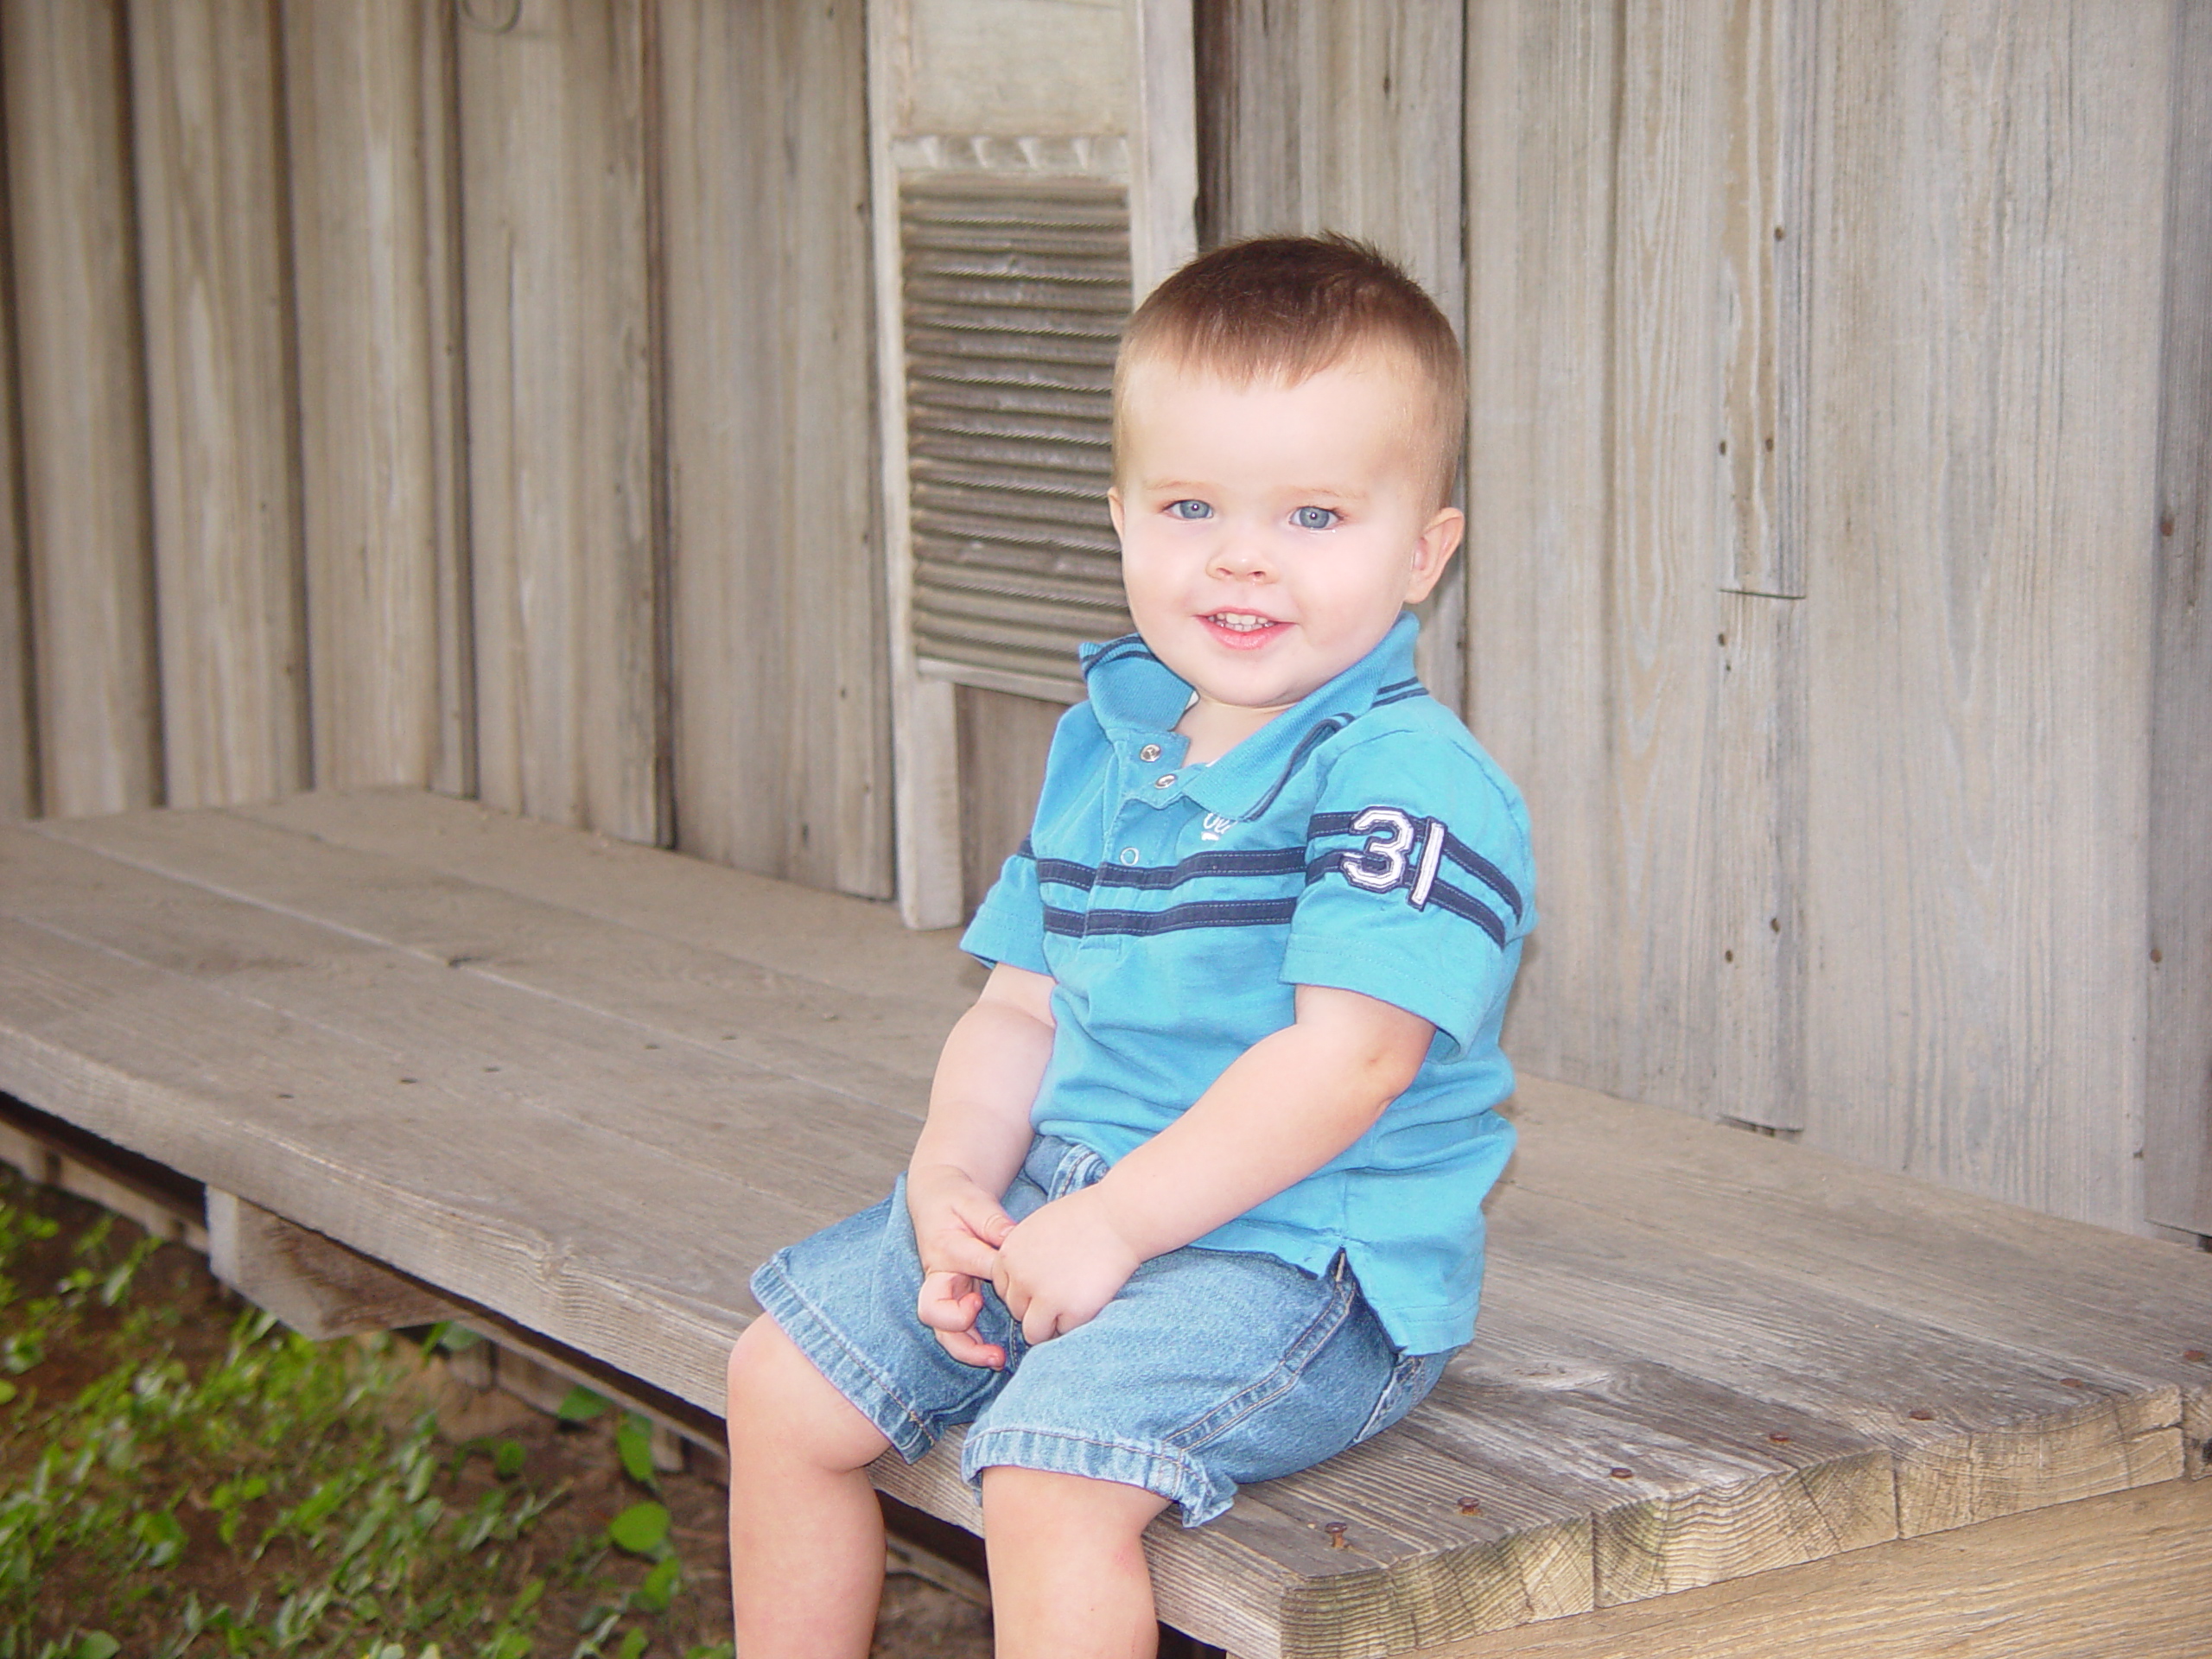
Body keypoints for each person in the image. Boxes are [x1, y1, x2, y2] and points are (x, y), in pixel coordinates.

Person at [725, 233, 1535, 1659]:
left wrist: (1113, 1224)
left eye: (1314, 517)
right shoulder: (1108, 746)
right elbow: (1019, 1011)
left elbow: (1348, 1065)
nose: (1240, 554)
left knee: (1049, 1470)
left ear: (1424, 554)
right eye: (1190, 503)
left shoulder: (1406, 782)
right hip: (1070, 1192)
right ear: (1121, 519)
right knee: (780, 1382)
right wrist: (953, 1173)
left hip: (1304, 1253)